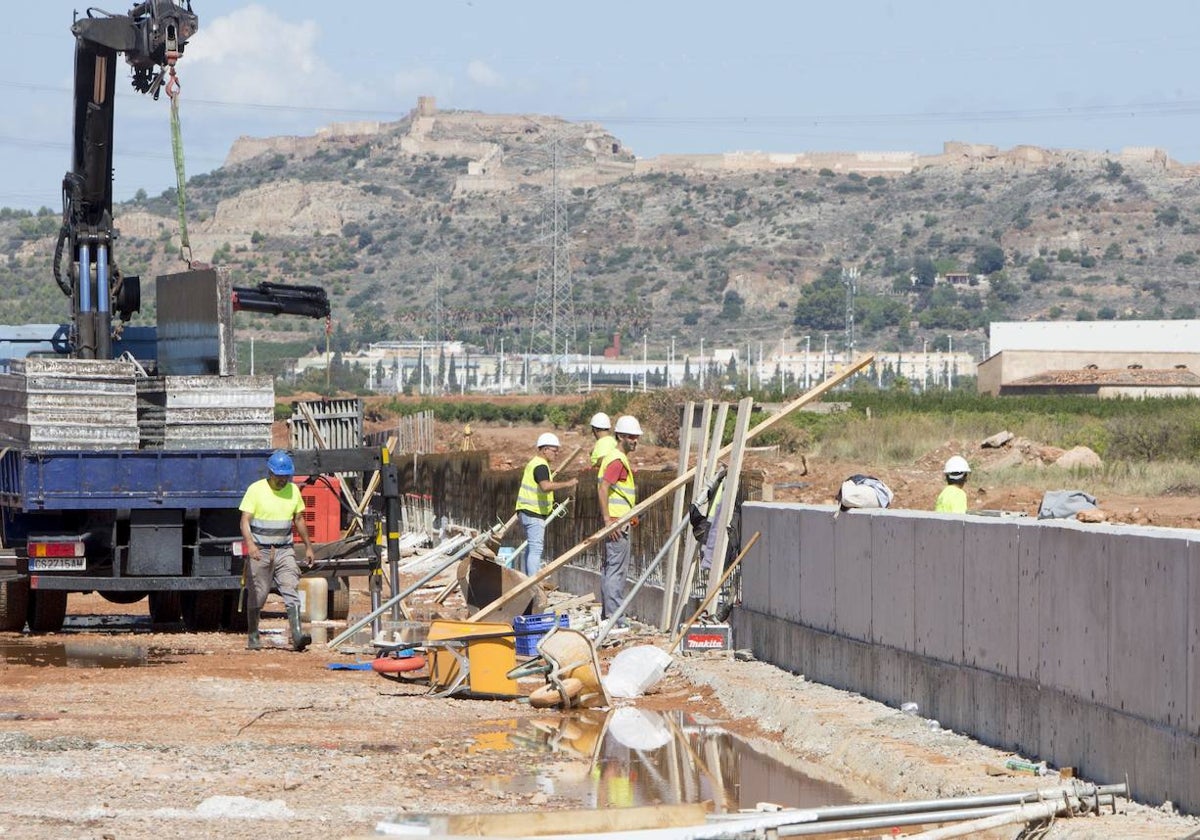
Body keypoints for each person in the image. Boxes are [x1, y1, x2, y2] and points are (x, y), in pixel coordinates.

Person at [238, 450, 316, 652]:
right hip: (261, 550)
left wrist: (308, 547)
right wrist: (251, 545)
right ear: (270, 473)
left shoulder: (293, 491)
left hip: (284, 550)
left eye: (286, 477)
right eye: (279, 476)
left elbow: (298, 520)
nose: (283, 480)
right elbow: (244, 521)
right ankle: (253, 635)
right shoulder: (256, 490)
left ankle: (297, 634)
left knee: (290, 587)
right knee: (259, 594)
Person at [515, 432, 578, 576]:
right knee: (536, 549)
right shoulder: (541, 466)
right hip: (534, 513)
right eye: (554, 450)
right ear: (544, 450)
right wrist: (567, 484)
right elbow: (545, 486)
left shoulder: (534, 463)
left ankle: (528, 581)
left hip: (526, 511)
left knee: (531, 549)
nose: (556, 454)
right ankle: (533, 584)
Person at [598, 415, 642, 623]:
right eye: (632, 437)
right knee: (616, 570)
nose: (636, 441)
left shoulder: (615, 458)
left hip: (618, 521)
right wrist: (609, 520)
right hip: (617, 523)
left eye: (637, 437)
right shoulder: (617, 460)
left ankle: (609, 614)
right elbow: (603, 488)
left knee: (610, 568)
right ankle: (615, 617)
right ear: (622, 436)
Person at [588, 412, 617, 477]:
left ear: (594, 430)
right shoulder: (613, 441)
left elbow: (604, 459)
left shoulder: (602, 442)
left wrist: (594, 467)